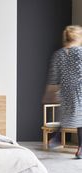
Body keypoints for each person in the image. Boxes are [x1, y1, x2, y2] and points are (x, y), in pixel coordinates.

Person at [46, 25, 82, 159]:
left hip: (65, 91)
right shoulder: (80, 52)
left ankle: (56, 137)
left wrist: (50, 92)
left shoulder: (59, 54)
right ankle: (80, 149)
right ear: (77, 37)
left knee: (67, 116)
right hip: (79, 90)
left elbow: (53, 76)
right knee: (80, 119)